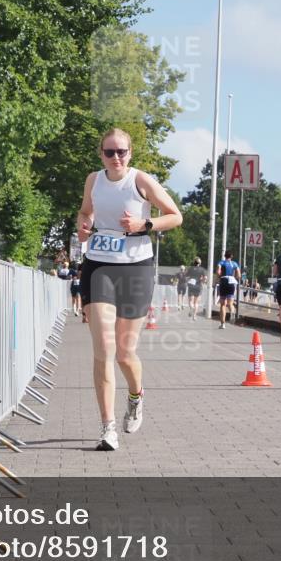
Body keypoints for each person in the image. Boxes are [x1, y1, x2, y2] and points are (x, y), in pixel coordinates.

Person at [77, 127, 183, 451]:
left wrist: (144, 225)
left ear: (130, 153)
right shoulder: (93, 180)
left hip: (135, 267)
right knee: (104, 350)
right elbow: (85, 212)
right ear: (101, 155)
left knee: (124, 353)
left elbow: (175, 216)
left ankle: (136, 396)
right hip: (99, 265)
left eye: (121, 151)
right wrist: (82, 225)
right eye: (110, 152)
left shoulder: (141, 181)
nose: (116, 157)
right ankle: (107, 427)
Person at [216, 250, 241, 329]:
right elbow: (239, 275)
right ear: (231, 256)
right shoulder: (234, 263)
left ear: (225, 256)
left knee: (223, 304)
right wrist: (235, 277)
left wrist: (219, 276)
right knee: (230, 303)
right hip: (231, 282)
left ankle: (223, 324)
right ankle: (232, 312)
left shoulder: (221, 262)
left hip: (223, 281)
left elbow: (218, 272)